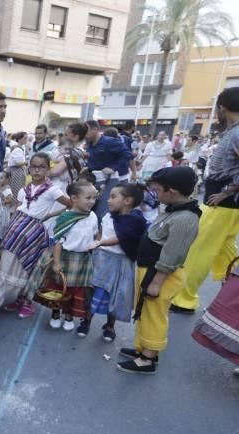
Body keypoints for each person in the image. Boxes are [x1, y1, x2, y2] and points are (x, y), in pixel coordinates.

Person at [116, 167, 200, 375]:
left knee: (154, 314)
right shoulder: (173, 208)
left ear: (172, 191)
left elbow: (173, 254)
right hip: (150, 270)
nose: (154, 195)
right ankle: (142, 347)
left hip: (160, 275)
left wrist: (156, 282)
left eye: (157, 190)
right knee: (144, 310)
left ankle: (148, 358)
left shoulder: (185, 219)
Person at [171, 87, 239, 314]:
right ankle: (233, 292)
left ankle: (184, 299)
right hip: (227, 204)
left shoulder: (237, 133)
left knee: (199, 248)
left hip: (222, 203)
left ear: (222, 108)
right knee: (225, 252)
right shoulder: (234, 132)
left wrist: (226, 192)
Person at [0, 152, 72, 317]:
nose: (37, 170)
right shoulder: (24, 189)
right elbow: (17, 209)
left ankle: (26, 301)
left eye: (42, 167)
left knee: (28, 267)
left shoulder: (52, 190)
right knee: (10, 265)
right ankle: (14, 298)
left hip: (33, 234)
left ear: (48, 169)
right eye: (34, 167)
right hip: (16, 232)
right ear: (29, 168)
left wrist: (51, 215)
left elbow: (70, 204)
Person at [28, 181, 99, 335]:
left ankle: (69, 315)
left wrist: (96, 243)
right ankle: (55, 312)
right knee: (58, 286)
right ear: (74, 198)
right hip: (65, 258)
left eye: (94, 198)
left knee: (75, 289)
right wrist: (56, 262)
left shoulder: (92, 216)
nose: (92, 201)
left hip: (83, 259)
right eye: (88, 198)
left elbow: (95, 234)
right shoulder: (65, 217)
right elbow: (58, 242)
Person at [89, 183, 146, 342]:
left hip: (122, 262)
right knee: (95, 290)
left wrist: (99, 243)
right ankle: (86, 320)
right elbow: (101, 232)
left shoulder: (136, 220)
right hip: (102, 259)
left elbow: (120, 238)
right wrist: (97, 244)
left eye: (113, 197)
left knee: (116, 294)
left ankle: (110, 326)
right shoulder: (108, 216)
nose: (108, 200)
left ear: (127, 201)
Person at [84, 119, 134, 219]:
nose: (84, 134)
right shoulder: (89, 144)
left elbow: (128, 155)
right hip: (94, 180)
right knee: (90, 209)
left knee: (103, 211)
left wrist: (113, 167)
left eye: (86, 131)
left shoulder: (109, 142)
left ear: (95, 129)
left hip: (109, 180)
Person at [7, 132, 28, 202]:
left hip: (17, 171)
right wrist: (28, 162)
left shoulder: (21, 147)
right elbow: (18, 164)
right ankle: (14, 205)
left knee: (18, 190)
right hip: (16, 172)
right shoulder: (17, 149)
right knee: (16, 190)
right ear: (19, 139)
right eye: (25, 138)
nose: (26, 140)